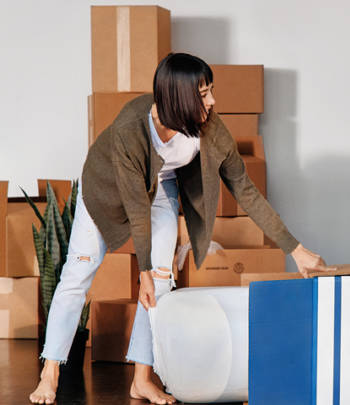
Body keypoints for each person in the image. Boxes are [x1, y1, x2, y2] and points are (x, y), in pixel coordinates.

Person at [29, 53, 334, 404]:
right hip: (105, 190)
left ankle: (141, 379)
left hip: (159, 188)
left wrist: (296, 249)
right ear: (178, 98)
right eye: (203, 94)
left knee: (160, 282)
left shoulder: (210, 127)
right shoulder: (131, 128)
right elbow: (136, 208)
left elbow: (246, 190)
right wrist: (142, 271)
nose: (213, 101)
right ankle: (49, 374)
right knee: (77, 275)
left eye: (210, 91)